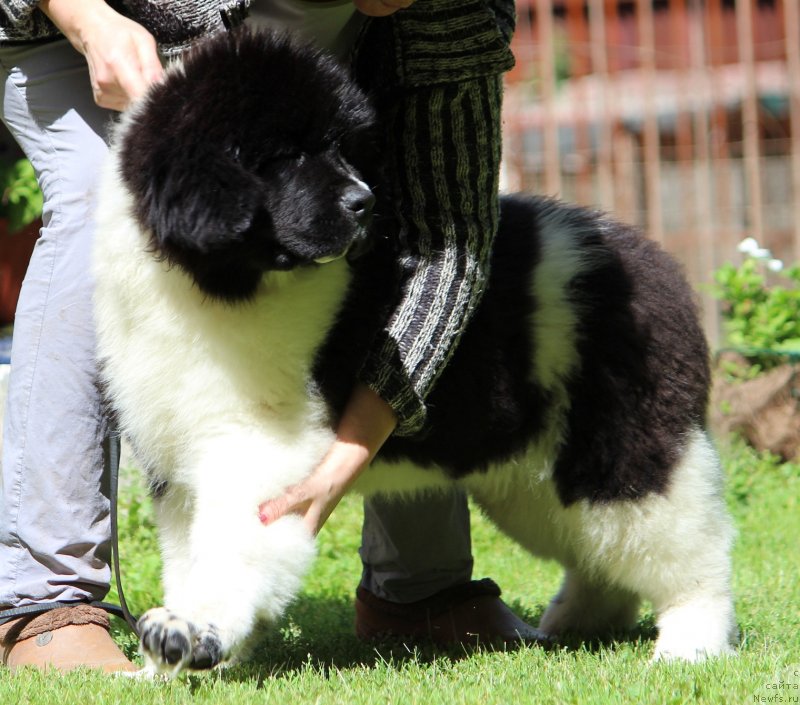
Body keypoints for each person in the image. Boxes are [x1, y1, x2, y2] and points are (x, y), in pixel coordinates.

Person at [0, 0, 540, 673]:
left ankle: (419, 587)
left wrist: (345, 454)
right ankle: (44, 601)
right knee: (95, 195)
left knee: (367, 205)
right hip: (73, 22)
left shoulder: (453, 13)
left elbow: (448, 244)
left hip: (264, 49)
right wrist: (88, 20)